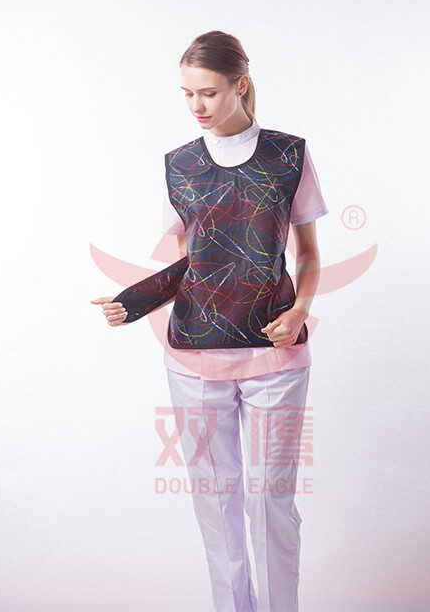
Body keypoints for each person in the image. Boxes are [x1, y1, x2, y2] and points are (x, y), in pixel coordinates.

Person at [91, 30, 328, 612]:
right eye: (187, 94)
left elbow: (308, 255)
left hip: (276, 354)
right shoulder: (180, 165)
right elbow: (194, 263)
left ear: (240, 84)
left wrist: (300, 310)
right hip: (194, 357)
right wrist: (135, 301)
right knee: (216, 504)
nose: (196, 105)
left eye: (209, 92)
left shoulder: (288, 156)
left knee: (271, 501)